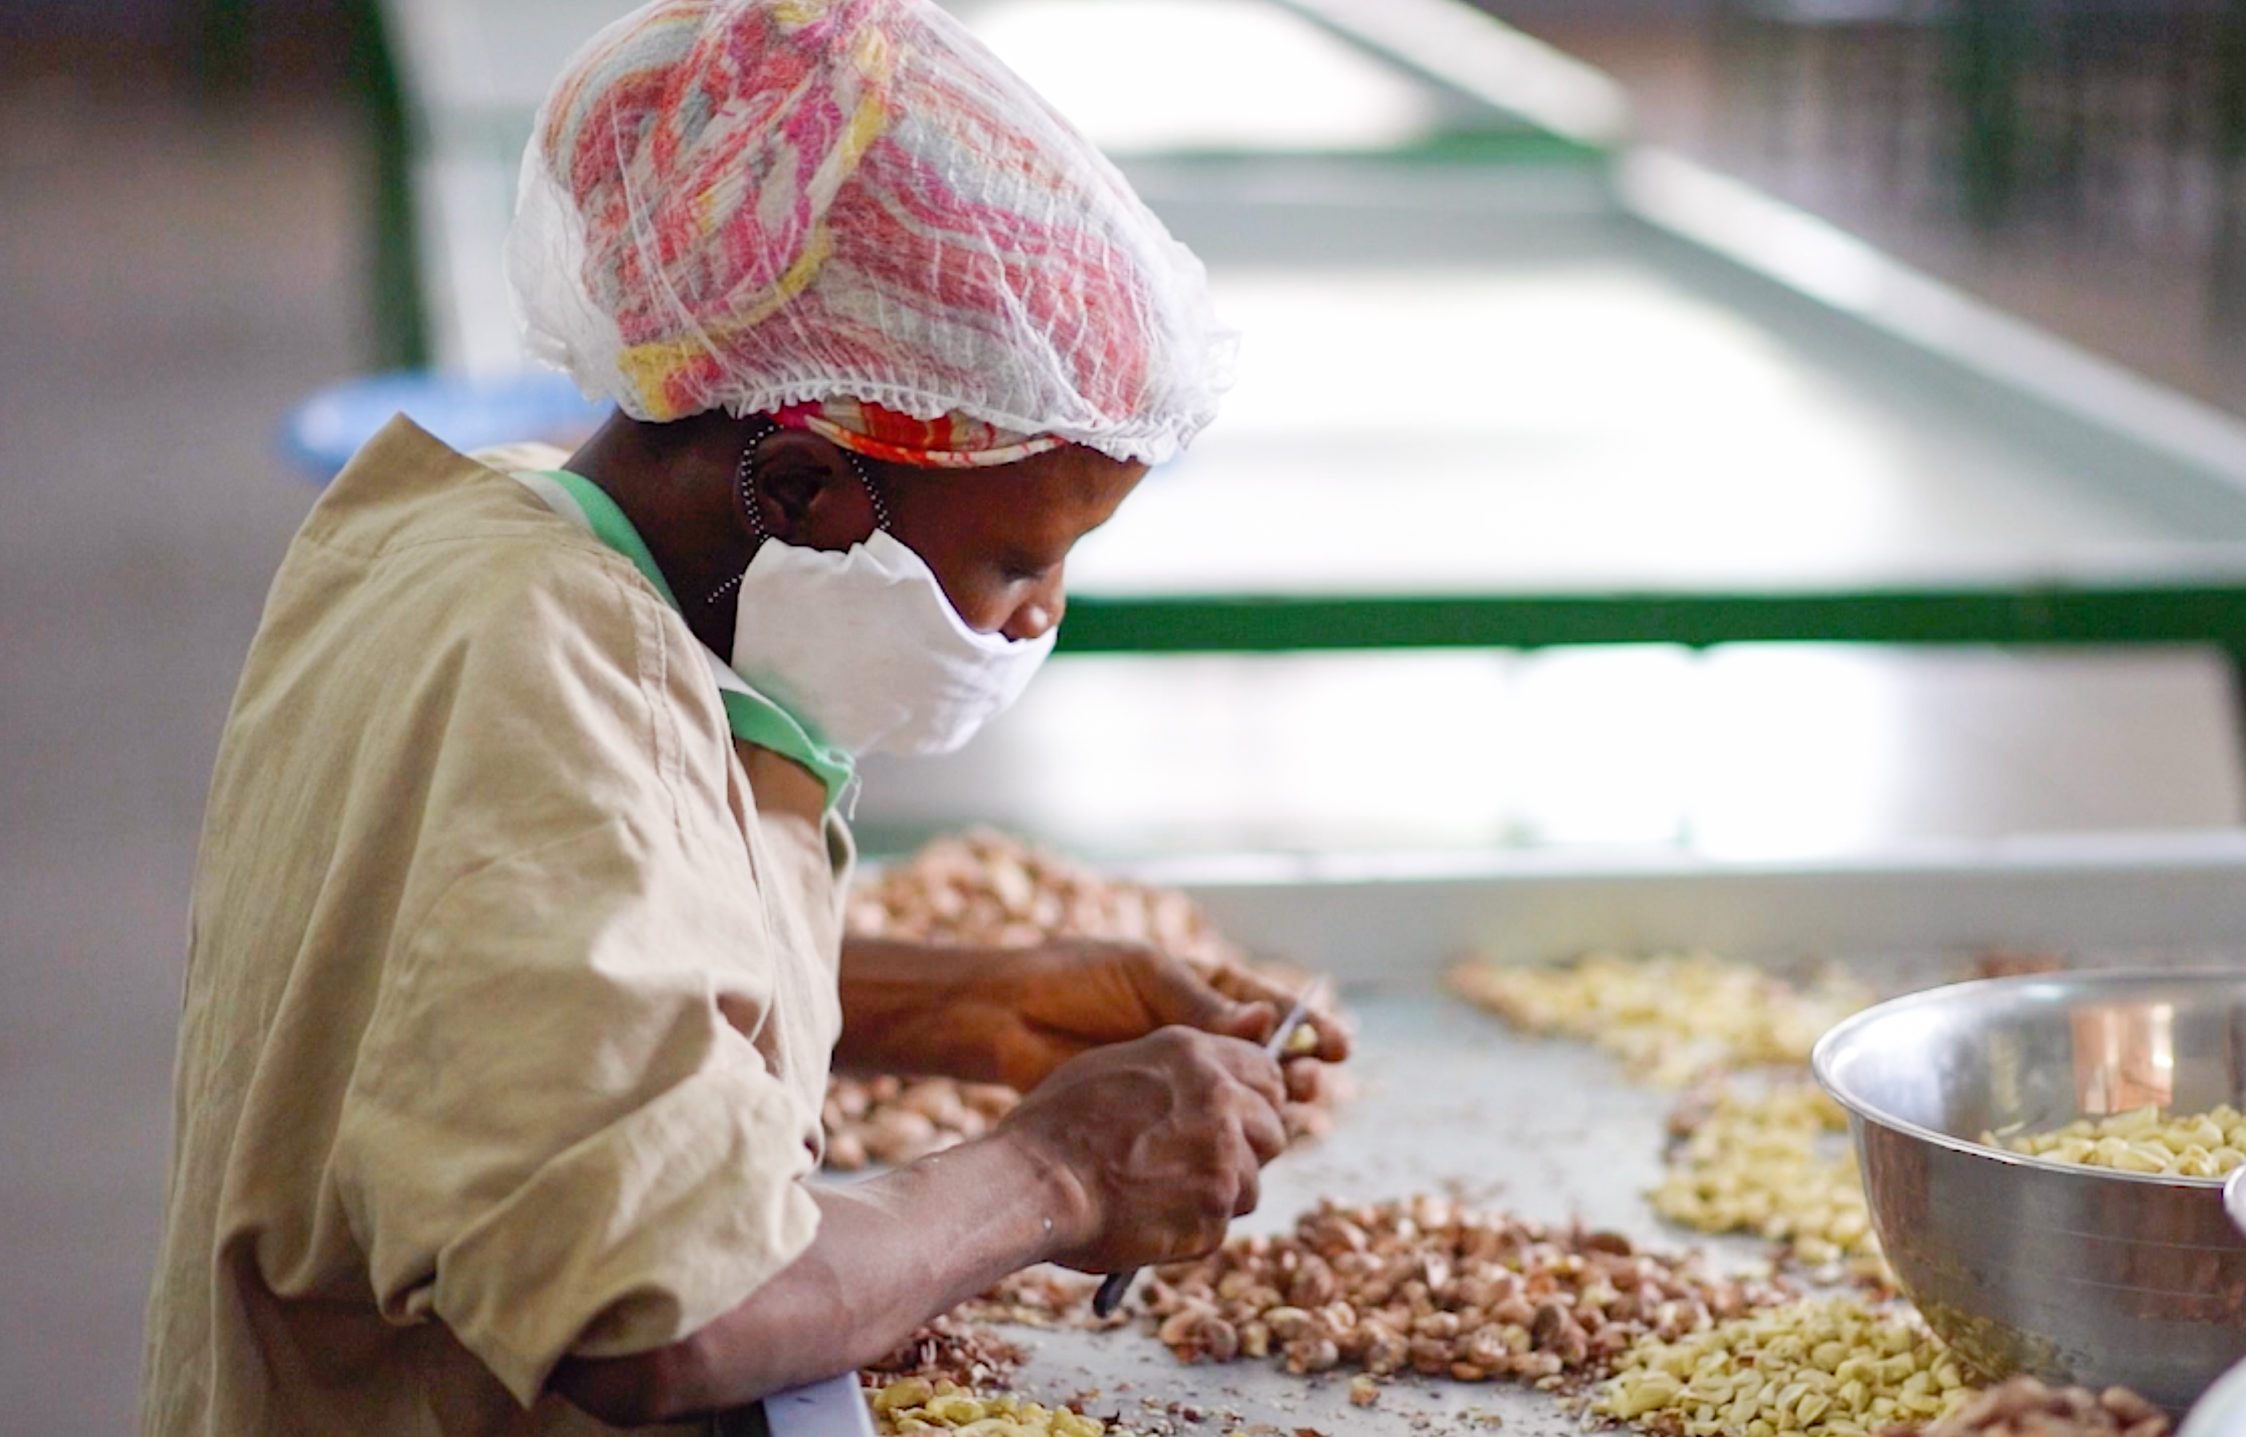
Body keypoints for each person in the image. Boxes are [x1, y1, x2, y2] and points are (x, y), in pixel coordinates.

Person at [140, 1, 1347, 1432]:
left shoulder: (482, 541)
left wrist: (973, 1002)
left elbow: (503, 966)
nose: (1039, 617)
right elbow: (654, 1310)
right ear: (801, 491)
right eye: (1019, 562)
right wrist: (1055, 1175)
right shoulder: (552, 673)